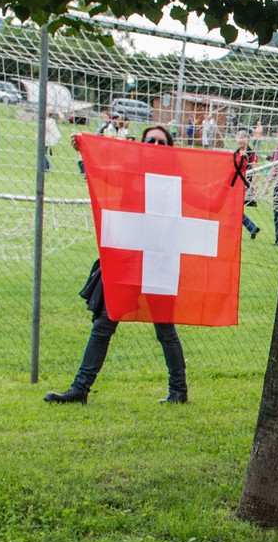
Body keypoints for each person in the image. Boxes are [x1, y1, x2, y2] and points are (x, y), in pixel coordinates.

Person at [44, 124, 189, 406]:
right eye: (151, 140)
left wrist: (232, 173)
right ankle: (80, 389)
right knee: (104, 324)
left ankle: (179, 391)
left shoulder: (177, 181)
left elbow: (207, 198)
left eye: (162, 143)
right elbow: (102, 174)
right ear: (141, 143)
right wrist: (86, 151)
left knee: (165, 330)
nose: (156, 146)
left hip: (158, 263)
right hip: (128, 263)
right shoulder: (127, 174)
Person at [234, 128, 261, 240]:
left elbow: (255, 171)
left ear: (247, 140)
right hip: (236, 185)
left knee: (235, 208)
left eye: (243, 137)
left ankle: (251, 227)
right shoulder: (235, 153)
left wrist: (253, 186)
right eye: (239, 137)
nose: (241, 140)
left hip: (245, 185)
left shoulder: (252, 154)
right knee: (236, 208)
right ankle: (252, 228)